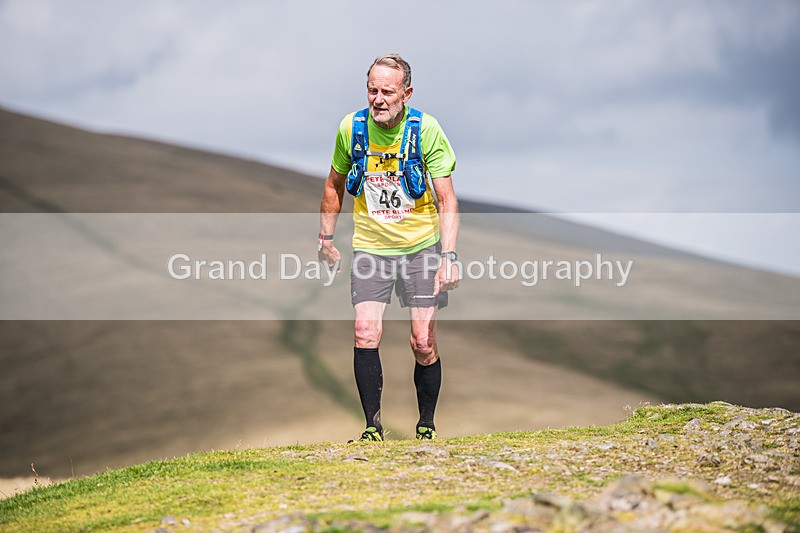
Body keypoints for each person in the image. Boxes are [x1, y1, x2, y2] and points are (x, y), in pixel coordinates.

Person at [318, 54, 460, 442]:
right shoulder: (352, 128)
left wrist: (448, 257)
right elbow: (334, 185)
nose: (378, 99)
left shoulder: (426, 129)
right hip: (371, 248)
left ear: (406, 93)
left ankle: (426, 425)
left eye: (387, 92)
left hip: (421, 247)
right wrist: (326, 239)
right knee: (365, 331)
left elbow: (447, 199)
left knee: (423, 341)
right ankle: (372, 428)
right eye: (372, 90)